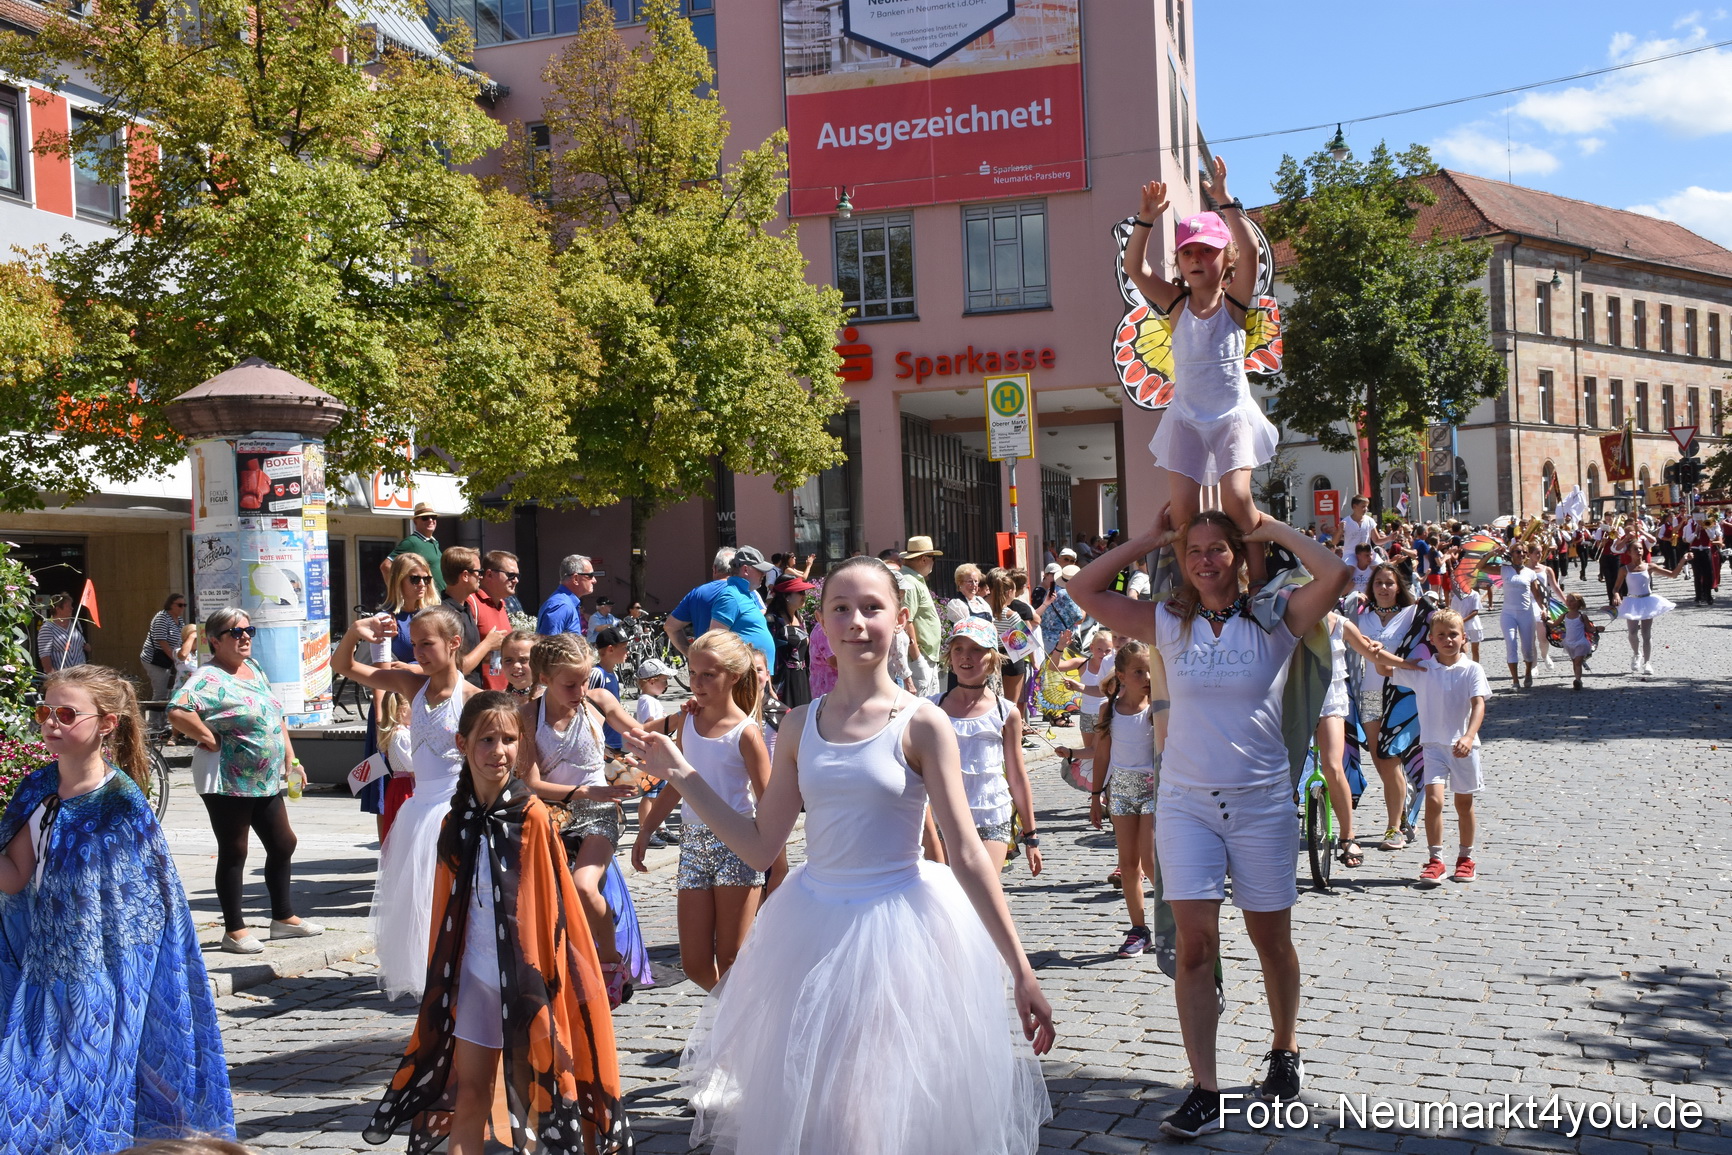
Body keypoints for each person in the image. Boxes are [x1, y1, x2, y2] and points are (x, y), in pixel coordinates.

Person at [627, 557, 1055, 1153]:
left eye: (872, 608)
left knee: (869, 1111)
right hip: (812, 929)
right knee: (822, 1104)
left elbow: (966, 853)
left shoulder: (923, 723)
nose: (857, 621)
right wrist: (682, 774)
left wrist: (1021, 970)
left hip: (899, 931)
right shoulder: (801, 725)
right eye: (841, 609)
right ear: (821, 624)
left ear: (901, 620)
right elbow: (759, 843)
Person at [1069, 509, 1348, 1134]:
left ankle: (1285, 1048)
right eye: (1193, 550)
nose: (1204, 560)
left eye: (1217, 549)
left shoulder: (1273, 620)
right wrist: (1147, 539)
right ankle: (1205, 1086)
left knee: (1270, 940)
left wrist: (1271, 530)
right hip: (1186, 804)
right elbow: (1082, 590)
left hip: (1261, 803)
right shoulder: (1167, 622)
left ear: (1236, 555)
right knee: (1196, 947)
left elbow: (1340, 573)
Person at [364, 693, 633, 1155]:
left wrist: (549, 980)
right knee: (470, 1091)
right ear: (462, 743)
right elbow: (448, 912)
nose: (499, 751)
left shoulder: (531, 817)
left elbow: (552, 906)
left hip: (528, 978)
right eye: (487, 739)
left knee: (539, 1095)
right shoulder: (457, 820)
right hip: (473, 977)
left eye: (509, 739)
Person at [0, 665, 234, 1152]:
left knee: (78, 1099)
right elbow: (14, 876)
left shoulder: (123, 806)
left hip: (100, 983)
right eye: (45, 712)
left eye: (66, 714)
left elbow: (145, 916)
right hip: (40, 976)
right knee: (26, 1102)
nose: (51, 724)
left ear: (106, 723)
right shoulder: (36, 790)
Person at [1124, 161, 1277, 585]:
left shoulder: (1234, 303)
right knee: (1181, 511)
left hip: (1231, 416)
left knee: (1238, 499)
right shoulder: (1175, 303)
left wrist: (1225, 200)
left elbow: (1253, 252)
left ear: (1225, 259)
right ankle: (1190, 585)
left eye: (1206, 251)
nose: (1195, 258)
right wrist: (1146, 221)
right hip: (1187, 418)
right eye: (1187, 252)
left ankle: (1260, 580)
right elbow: (1136, 269)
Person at [332, 606, 474, 997]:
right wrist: (355, 632)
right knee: (417, 900)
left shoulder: (471, 698)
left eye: (427, 644)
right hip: (417, 811)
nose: (419, 653)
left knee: (453, 896)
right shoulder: (414, 684)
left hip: (453, 809)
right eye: (415, 644)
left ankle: (463, 967)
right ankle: (432, 972)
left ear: (454, 643)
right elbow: (345, 666)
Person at [168, 608, 321, 955]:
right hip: (227, 777)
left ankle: (283, 918)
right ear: (214, 641)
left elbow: (275, 716)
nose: (245, 636)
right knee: (235, 850)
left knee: (283, 843)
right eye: (235, 632)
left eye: (248, 630)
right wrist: (209, 737)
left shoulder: (254, 668)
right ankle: (234, 930)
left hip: (264, 777)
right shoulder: (207, 678)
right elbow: (178, 710)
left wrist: (291, 759)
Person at [630, 630, 772, 992]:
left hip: (737, 846)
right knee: (694, 962)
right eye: (692, 673)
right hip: (693, 845)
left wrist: (777, 867)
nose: (697, 682)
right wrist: (646, 830)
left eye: (708, 674)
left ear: (734, 677)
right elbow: (675, 781)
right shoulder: (688, 721)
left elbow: (770, 805)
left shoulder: (746, 733)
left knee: (731, 957)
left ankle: (741, 1030)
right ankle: (736, 1016)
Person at [518, 633, 648, 1008]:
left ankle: (611, 963)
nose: (579, 691)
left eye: (584, 680)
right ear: (544, 678)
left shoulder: (597, 703)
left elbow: (638, 734)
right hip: (553, 812)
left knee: (583, 884)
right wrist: (583, 792)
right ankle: (553, 965)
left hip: (601, 811)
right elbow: (531, 782)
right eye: (569, 684)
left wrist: (679, 720)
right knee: (543, 894)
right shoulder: (528, 716)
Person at [1374, 610, 1490, 887]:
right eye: (1441, 635)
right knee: (1435, 801)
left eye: (1453, 634)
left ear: (1463, 637)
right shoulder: (1423, 669)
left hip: (1464, 748)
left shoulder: (1472, 669)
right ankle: (1435, 859)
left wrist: (1468, 736)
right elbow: (1384, 669)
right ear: (1432, 639)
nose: (1448, 639)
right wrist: (1377, 650)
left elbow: (1479, 704)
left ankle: (1466, 858)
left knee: (1464, 804)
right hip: (1432, 746)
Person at [933, 617, 1042, 876]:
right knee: (951, 897)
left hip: (992, 815)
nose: (965, 657)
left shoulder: (1006, 712)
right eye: (958, 649)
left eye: (976, 649)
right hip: (944, 818)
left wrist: (1031, 835)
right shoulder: (931, 708)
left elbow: (1016, 776)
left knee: (984, 893)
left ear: (992, 658)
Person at [1088, 639, 1160, 958]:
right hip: (1120, 792)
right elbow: (1102, 754)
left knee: (1150, 860)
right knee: (1128, 865)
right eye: (1139, 672)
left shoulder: (1158, 709)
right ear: (1120, 676)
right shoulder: (1110, 711)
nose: (1146, 678)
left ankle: (1176, 918)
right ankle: (1139, 930)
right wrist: (1094, 795)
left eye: (1149, 671)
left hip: (1152, 789)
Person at [1353, 564, 1423, 851]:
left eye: (1389, 583)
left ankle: (1393, 828)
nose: (1383, 588)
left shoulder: (1411, 615)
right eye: (1378, 583)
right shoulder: (1360, 617)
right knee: (1381, 761)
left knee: (1391, 757)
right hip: (1369, 696)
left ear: (1399, 587)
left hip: (1401, 694)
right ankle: (1404, 801)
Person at [1614, 550, 1684, 677]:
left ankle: (1647, 662)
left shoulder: (1650, 566)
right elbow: (1616, 587)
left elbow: (1673, 575)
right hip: (1632, 602)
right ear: (1630, 553)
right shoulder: (1625, 569)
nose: (1639, 551)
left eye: (1640, 548)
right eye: (1635, 549)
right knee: (1632, 633)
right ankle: (1636, 654)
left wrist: (1683, 561)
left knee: (1646, 634)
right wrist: (1616, 594)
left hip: (1647, 601)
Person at [709, 545, 778, 667]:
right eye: (759, 570)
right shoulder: (731, 596)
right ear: (746, 569)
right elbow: (715, 641)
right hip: (745, 676)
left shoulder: (746, 594)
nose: (764, 574)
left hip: (758, 675)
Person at [440, 547, 498, 688]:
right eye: (479, 572)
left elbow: (468, 657)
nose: (481, 576)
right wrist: (487, 644)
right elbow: (456, 670)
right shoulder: (444, 614)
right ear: (465, 575)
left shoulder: (466, 607)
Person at [665, 548, 736, 656]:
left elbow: (670, 627)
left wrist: (691, 654)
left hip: (706, 661)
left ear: (715, 569)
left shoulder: (697, 593)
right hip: (738, 660)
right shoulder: (745, 591)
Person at [898, 536, 945, 696]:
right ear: (924, 559)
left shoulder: (913, 580)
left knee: (928, 705)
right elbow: (906, 621)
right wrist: (917, 658)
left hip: (924, 655)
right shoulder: (909, 582)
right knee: (921, 706)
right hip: (920, 656)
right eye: (933, 558)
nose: (933, 562)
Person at [472, 550, 519, 690]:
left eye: (517, 575)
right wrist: (488, 645)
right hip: (479, 694)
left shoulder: (503, 605)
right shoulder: (472, 603)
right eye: (510, 575)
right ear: (489, 574)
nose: (516, 580)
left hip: (503, 693)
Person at [766, 575, 815, 708]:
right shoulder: (772, 620)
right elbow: (766, 655)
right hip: (782, 682)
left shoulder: (800, 618)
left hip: (802, 678)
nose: (804, 595)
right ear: (786, 596)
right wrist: (769, 687)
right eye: (799, 592)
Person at [1499, 544, 1542, 688]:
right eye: (1518, 552)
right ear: (1511, 553)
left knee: (1528, 647)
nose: (1521, 554)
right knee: (1511, 644)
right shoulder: (1504, 569)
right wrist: (1493, 553)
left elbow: (1537, 594)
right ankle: (1515, 680)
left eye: (1524, 552)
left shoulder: (1530, 573)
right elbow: (1481, 566)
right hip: (1508, 614)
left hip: (1525, 613)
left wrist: (1544, 609)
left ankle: (1528, 672)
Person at [139, 593, 187, 722]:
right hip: (155, 659)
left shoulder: (179, 620)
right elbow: (161, 641)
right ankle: (154, 723)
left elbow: (181, 639)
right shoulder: (161, 618)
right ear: (170, 605)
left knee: (169, 691)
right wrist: (175, 658)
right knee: (160, 691)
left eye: (184, 605)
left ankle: (165, 722)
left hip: (170, 660)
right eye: (180, 605)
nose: (183, 608)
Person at [389, 502, 445, 594]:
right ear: (415, 521)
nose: (430, 520)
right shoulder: (411, 542)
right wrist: (397, 593)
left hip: (440, 598)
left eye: (433, 517)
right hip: (426, 600)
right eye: (425, 518)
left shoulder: (434, 542)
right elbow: (386, 566)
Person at [537, 553, 598, 638]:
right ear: (575, 579)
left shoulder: (567, 603)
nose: (594, 580)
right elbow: (548, 647)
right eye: (590, 576)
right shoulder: (561, 606)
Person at [35, 592, 87, 671]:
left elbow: (83, 644)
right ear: (58, 609)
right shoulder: (47, 628)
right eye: (68, 606)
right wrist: (52, 676)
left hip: (81, 674)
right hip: (62, 676)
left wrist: (87, 646)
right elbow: (44, 656)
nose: (72, 608)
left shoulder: (75, 623)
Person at [1560, 593, 1595, 690]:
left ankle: (1578, 680)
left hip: (1581, 643)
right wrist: (1546, 620)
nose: (1569, 603)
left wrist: (1597, 628)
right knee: (1575, 662)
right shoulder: (1564, 615)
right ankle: (1577, 679)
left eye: (1572, 601)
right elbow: (1554, 624)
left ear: (1578, 603)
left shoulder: (1582, 616)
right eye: (1568, 600)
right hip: (1569, 643)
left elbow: (1589, 629)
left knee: (1578, 662)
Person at [1450, 576, 1485, 664]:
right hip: (1462, 626)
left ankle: (1476, 666)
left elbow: (1475, 611)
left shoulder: (1474, 594)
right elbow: (1453, 612)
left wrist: (1463, 620)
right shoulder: (1456, 597)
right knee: (1462, 648)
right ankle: (1464, 666)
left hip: (1474, 625)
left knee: (1475, 649)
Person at [499, 627, 540, 698]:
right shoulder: (499, 701)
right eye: (508, 660)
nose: (516, 665)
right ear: (501, 663)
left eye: (523, 659)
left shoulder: (549, 699)